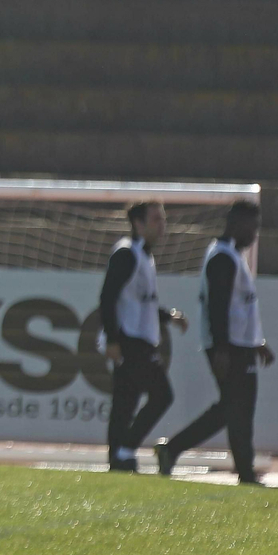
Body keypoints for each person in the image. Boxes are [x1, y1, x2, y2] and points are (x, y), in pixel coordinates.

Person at [156, 201, 276, 484]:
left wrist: (257, 342)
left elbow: (239, 307)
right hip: (229, 346)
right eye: (252, 227)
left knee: (232, 409)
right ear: (236, 224)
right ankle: (244, 472)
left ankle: (172, 449)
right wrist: (222, 348)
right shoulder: (222, 256)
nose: (254, 234)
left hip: (238, 344)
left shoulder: (233, 255)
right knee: (240, 408)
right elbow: (218, 306)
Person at [98, 201, 188, 473]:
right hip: (129, 340)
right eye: (156, 220)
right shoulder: (126, 254)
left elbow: (139, 301)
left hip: (140, 339)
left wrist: (167, 316)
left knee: (125, 402)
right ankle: (125, 449)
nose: (162, 225)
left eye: (163, 219)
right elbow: (108, 297)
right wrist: (113, 339)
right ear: (138, 224)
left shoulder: (144, 255)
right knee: (163, 395)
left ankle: (119, 460)